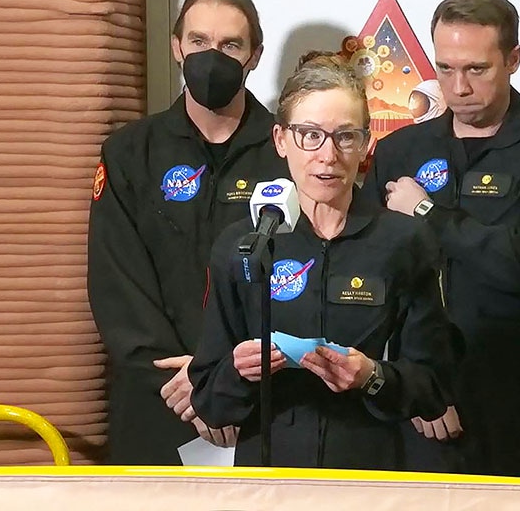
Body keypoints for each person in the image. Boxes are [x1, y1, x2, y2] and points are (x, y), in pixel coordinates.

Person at [362, 0, 520, 479]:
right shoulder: (400, 152)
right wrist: (414, 386)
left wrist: (428, 212)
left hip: (515, 400)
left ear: (512, 59)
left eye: (476, 69)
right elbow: (370, 278)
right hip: (415, 402)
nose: (458, 86)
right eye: (445, 68)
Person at [188, 52, 458, 468]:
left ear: (366, 143)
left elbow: (435, 385)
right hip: (269, 477)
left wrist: (372, 376)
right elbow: (209, 401)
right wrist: (239, 372)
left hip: (371, 472)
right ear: (280, 140)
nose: (327, 155)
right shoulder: (243, 242)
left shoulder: (403, 241)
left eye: (345, 136)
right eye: (309, 135)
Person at [87, 0, 287, 464]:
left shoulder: (292, 152)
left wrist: (228, 381)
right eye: (198, 42)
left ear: (255, 55)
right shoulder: (130, 151)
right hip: (159, 400)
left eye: (230, 45)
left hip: (263, 404)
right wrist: (187, 387)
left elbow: (302, 278)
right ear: (177, 46)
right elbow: (118, 283)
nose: (211, 56)